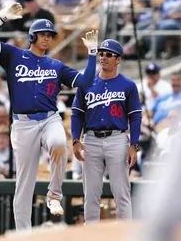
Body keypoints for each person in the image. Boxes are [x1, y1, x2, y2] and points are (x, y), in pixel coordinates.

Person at [0, 2, 98, 230]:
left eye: (50, 35)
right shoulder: (14, 55)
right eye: (42, 34)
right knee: (24, 182)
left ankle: (54, 195)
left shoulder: (56, 65)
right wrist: (1, 18)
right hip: (23, 124)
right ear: (32, 36)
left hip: (49, 118)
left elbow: (86, 82)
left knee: (60, 143)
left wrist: (92, 52)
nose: (46, 38)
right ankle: (24, 233)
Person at [71, 39, 142, 224]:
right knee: (91, 195)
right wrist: (75, 140)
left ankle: (125, 234)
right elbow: (77, 114)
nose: (103, 57)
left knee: (121, 193)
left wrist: (133, 144)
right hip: (91, 139)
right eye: (101, 53)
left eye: (108, 54)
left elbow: (135, 117)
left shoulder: (128, 85)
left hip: (117, 139)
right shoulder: (86, 81)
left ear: (118, 59)